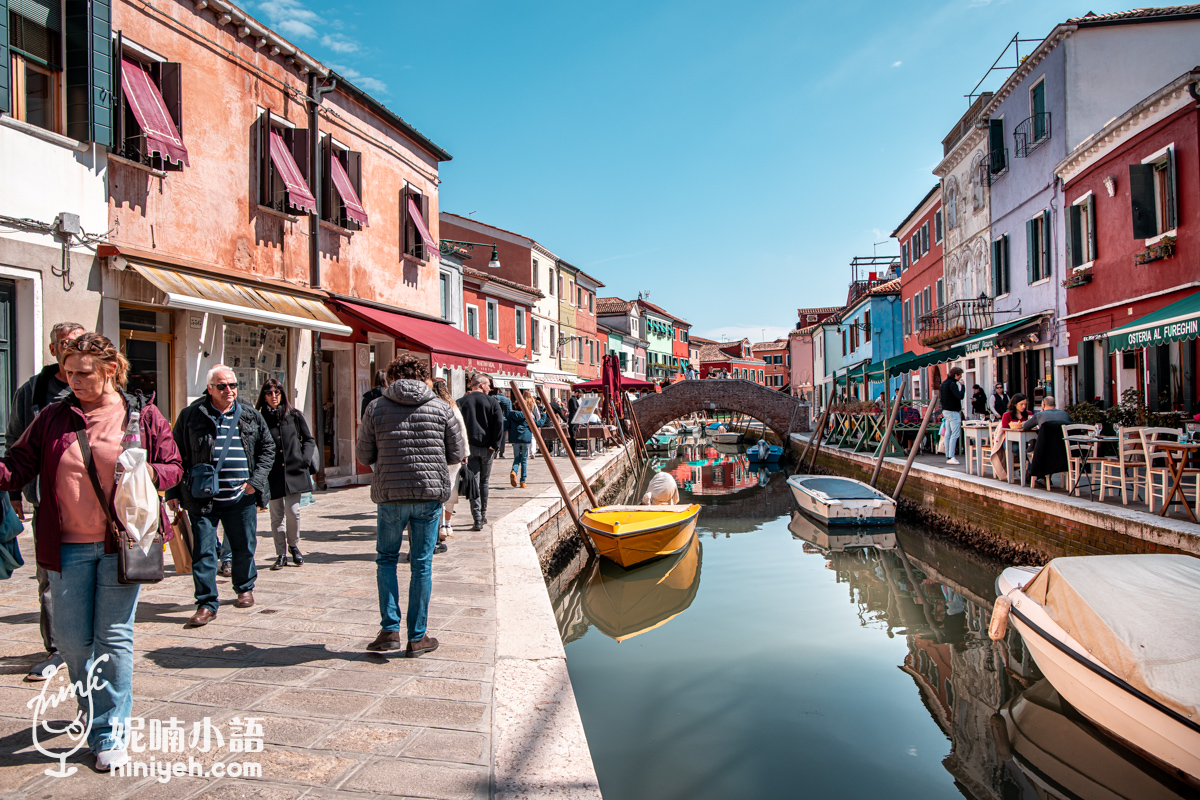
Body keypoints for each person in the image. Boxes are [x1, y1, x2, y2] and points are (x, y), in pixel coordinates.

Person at [0, 333, 182, 770]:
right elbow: (18, 464)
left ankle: (109, 730)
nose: (74, 380)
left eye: (84, 373)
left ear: (110, 370)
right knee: (71, 641)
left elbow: (174, 467)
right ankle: (92, 706)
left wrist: (144, 470)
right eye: (68, 372)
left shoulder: (141, 415)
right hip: (64, 546)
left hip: (123, 544)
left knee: (114, 637)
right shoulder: (52, 418)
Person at [357, 354, 465, 656]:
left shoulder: (375, 407)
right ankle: (417, 637)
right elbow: (456, 453)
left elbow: (364, 455)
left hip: (391, 494)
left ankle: (389, 630)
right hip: (429, 496)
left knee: (386, 559)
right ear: (424, 378)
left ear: (392, 377)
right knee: (421, 564)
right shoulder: (442, 408)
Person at [6, 320, 83, 681]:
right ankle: (57, 649)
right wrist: (13, 493)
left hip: (95, 503)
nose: (71, 348)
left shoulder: (103, 390)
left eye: (78, 342)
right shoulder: (33, 392)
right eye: (65, 343)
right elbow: (16, 443)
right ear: (53, 350)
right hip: (47, 502)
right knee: (50, 576)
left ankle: (89, 644)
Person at [168, 365, 275, 626]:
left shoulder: (249, 414)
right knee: (204, 551)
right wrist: (172, 490)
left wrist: (256, 481)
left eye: (233, 385)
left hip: (241, 496)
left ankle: (244, 587)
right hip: (201, 497)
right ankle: (206, 603)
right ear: (209, 389)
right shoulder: (191, 415)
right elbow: (175, 454)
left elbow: (268, 448)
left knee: (243, 546)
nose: (229, 390)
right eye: (222, 386)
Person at [256, 379, 315, 570]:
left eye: (277, 392)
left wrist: (304, 460)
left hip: (294, 471)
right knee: (276, 515)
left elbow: (308, 439)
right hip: (272, 473)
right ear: (264, 396)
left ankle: (294, 546)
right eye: (269, 393)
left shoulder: (294, 415)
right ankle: (280, 554)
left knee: (293, 512)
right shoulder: (260, 418)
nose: (274, 396)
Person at [457, 373, 503, 530]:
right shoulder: (492, 402)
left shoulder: (461, 402)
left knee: (474, 482)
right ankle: (482, 515)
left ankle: (476, 517)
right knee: (484, 481)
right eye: (488, 384)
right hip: (487, 448)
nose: (490, 388)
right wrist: (495, 445)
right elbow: (499, 424)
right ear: (481, 385)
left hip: (469, 448)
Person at [432, 378, 465, 550]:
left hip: (435, 454)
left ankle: (438, 526)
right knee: (451, 489)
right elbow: (461, 430)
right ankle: (446, 525)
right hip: (452, 454)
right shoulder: (452, 407)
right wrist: (465, 453)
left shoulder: (430, 405)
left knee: (437, 491)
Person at [1023, 396, 1073, 489]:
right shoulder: (1065, 415)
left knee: (1031, 447)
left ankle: (1036, 474)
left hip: (1045, 450)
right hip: (1064, 450)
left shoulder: (1040, 415)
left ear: (1043, 404)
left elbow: (1025, 426)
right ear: (1055, 405)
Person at [989, 393, 1033, 482]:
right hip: (1010, 441)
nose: (1024, 406)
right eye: (1022, 404)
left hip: (1025, 440)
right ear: (1015, 404)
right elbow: (1005, 430)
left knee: (1032, 450)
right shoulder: (1007, 415)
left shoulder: (1029, 414)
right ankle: (1029, 471)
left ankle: (1029, 472)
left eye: (1025, 404)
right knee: (1020, 449)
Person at [507, 390, 545, 489]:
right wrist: (544, 415)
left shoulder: (511, 415)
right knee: (524, 460)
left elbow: (506, 425)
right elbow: (538, 424)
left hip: (515, 439)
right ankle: (523, 481)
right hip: (525, 439)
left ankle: (514, 471)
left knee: (516, 458)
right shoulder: (528, 416)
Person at [940, 366, 966, 465]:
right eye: (960, 375)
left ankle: (948, 455)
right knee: (955, 434)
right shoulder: (952, 384)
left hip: (945, 411)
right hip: (953, 412)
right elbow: (960, 396)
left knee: (948, 434)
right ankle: (951, 456)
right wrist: (963, 386)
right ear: (956, 375)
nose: (960, 377)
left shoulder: (943, 383)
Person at [492, 386, 513, 459]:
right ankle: (501, 453)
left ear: (498, 391)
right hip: (504, 420)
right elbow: (510, 412)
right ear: (503, 393)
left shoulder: (493, 398)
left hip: (494, 420)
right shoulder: (508, 400)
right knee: (503, 437)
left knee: (494, 436)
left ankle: (495, 451)